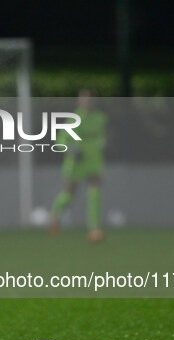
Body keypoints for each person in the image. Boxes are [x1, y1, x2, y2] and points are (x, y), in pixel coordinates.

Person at [50, 89, 107, 242]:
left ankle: (94, 229)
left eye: (90, 99)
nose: (87, 102)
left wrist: (102, 143)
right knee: (69, 194)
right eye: (84, 99)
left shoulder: (100, 118)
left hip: (93, 161)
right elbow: (60, 141)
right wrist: (71, 149)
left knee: (95, 192)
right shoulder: (74, 119)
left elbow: (102, 137)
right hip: (76, 162)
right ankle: (55, 214)